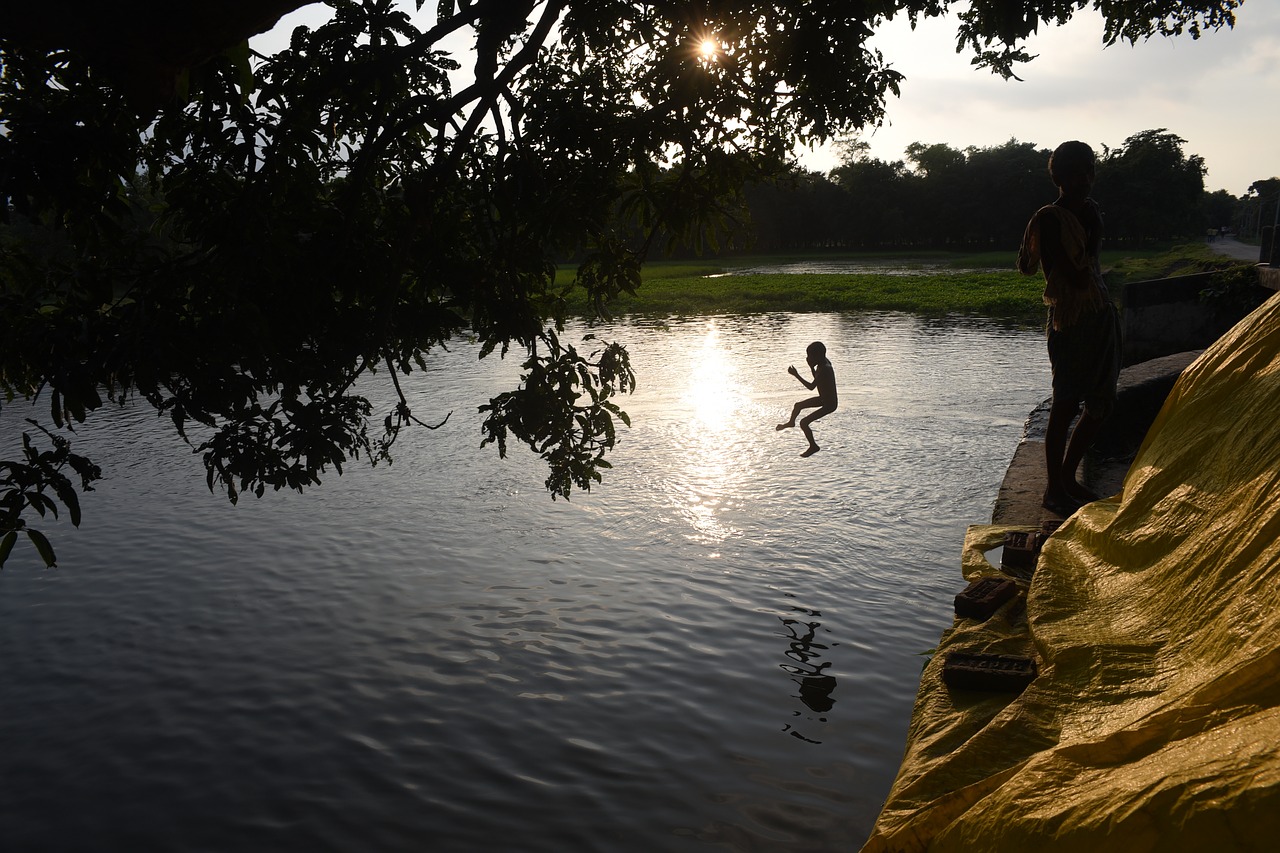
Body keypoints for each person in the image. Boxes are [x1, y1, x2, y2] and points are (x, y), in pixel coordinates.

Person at [1017, 140, 1121, 516]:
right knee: (1064, 403)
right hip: (1070, 320)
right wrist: (1090, 230)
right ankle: (1053, 489)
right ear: (1059, 178)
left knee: (1101, 401)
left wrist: (1093, 226)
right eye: (1078, 173)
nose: (1086, 180)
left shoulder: (1091, 214)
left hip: (1100, 315)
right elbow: (1073, 278)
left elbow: (1090, 264)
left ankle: (1066, 478)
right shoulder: (1049, 219)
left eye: (1090, 171)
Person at [776, 341, 838, 457]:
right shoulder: (821, 364)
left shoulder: (825, 368)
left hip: (829, 404)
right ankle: (791, 422)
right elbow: (818, 379)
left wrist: (796, 375)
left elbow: (811, 387)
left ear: (818, 356)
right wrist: (811, 367)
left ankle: (813, 446)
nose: (808, 358)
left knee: (804, 423)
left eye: (810, 356)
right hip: (823, 398)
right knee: (798, 405)